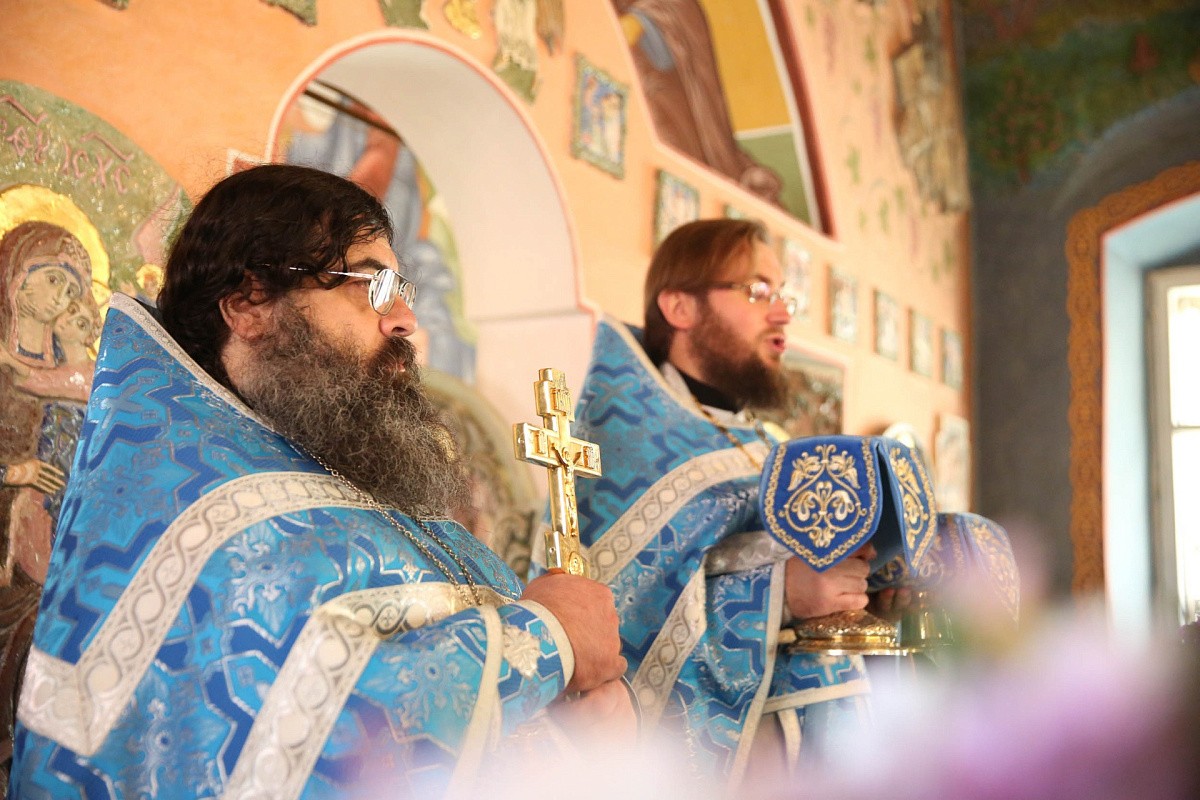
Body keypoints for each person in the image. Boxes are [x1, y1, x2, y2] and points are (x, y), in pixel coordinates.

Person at [9, 164, 630, 798]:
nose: (405, 320)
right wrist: (549, 640)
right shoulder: (205, 515)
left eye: (401, 288)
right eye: (373, 284)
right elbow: (316, 740)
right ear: (249, 305)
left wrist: (587, 728)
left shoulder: (351, 482)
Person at [568, 218, 874, 789]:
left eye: (783, 295)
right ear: (680, 307)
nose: (781, 314)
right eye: (757, 291)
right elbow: (623, 610)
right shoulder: (625, 441)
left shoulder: (757, 440)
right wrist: (782, 593)